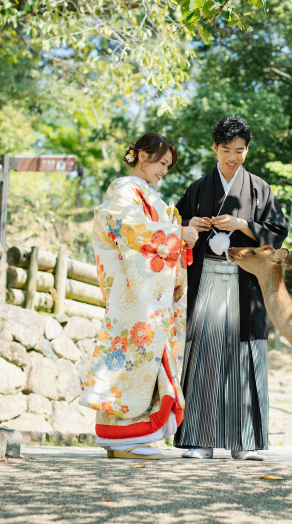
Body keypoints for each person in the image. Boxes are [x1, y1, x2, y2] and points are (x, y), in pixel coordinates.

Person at [174, 116, 289, 460]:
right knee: (205, 353)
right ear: (215, 148)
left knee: (244, 356)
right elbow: (174, 222)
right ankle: (199, 439)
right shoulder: (198, 188)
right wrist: (188, 224)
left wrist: (242, 224)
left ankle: (244, 441)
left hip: (245, 282)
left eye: (240, 150)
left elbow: (278, 232)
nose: (233, 157)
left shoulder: (259, 188)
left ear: (247, 150)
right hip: (208, 274)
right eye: (226, 150)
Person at [79, 133, 199, 460]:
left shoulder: (142, 194)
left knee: (142, 360)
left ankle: (134, 438)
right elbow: (130, 231)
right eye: (162, 163)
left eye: (168, 166)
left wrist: (181, 234)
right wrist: (177, 234)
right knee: (133, 359)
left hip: (147, 293)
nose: (165, 171)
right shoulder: (124, 192)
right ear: (143, 156)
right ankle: (124, 440)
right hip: (134, 294)